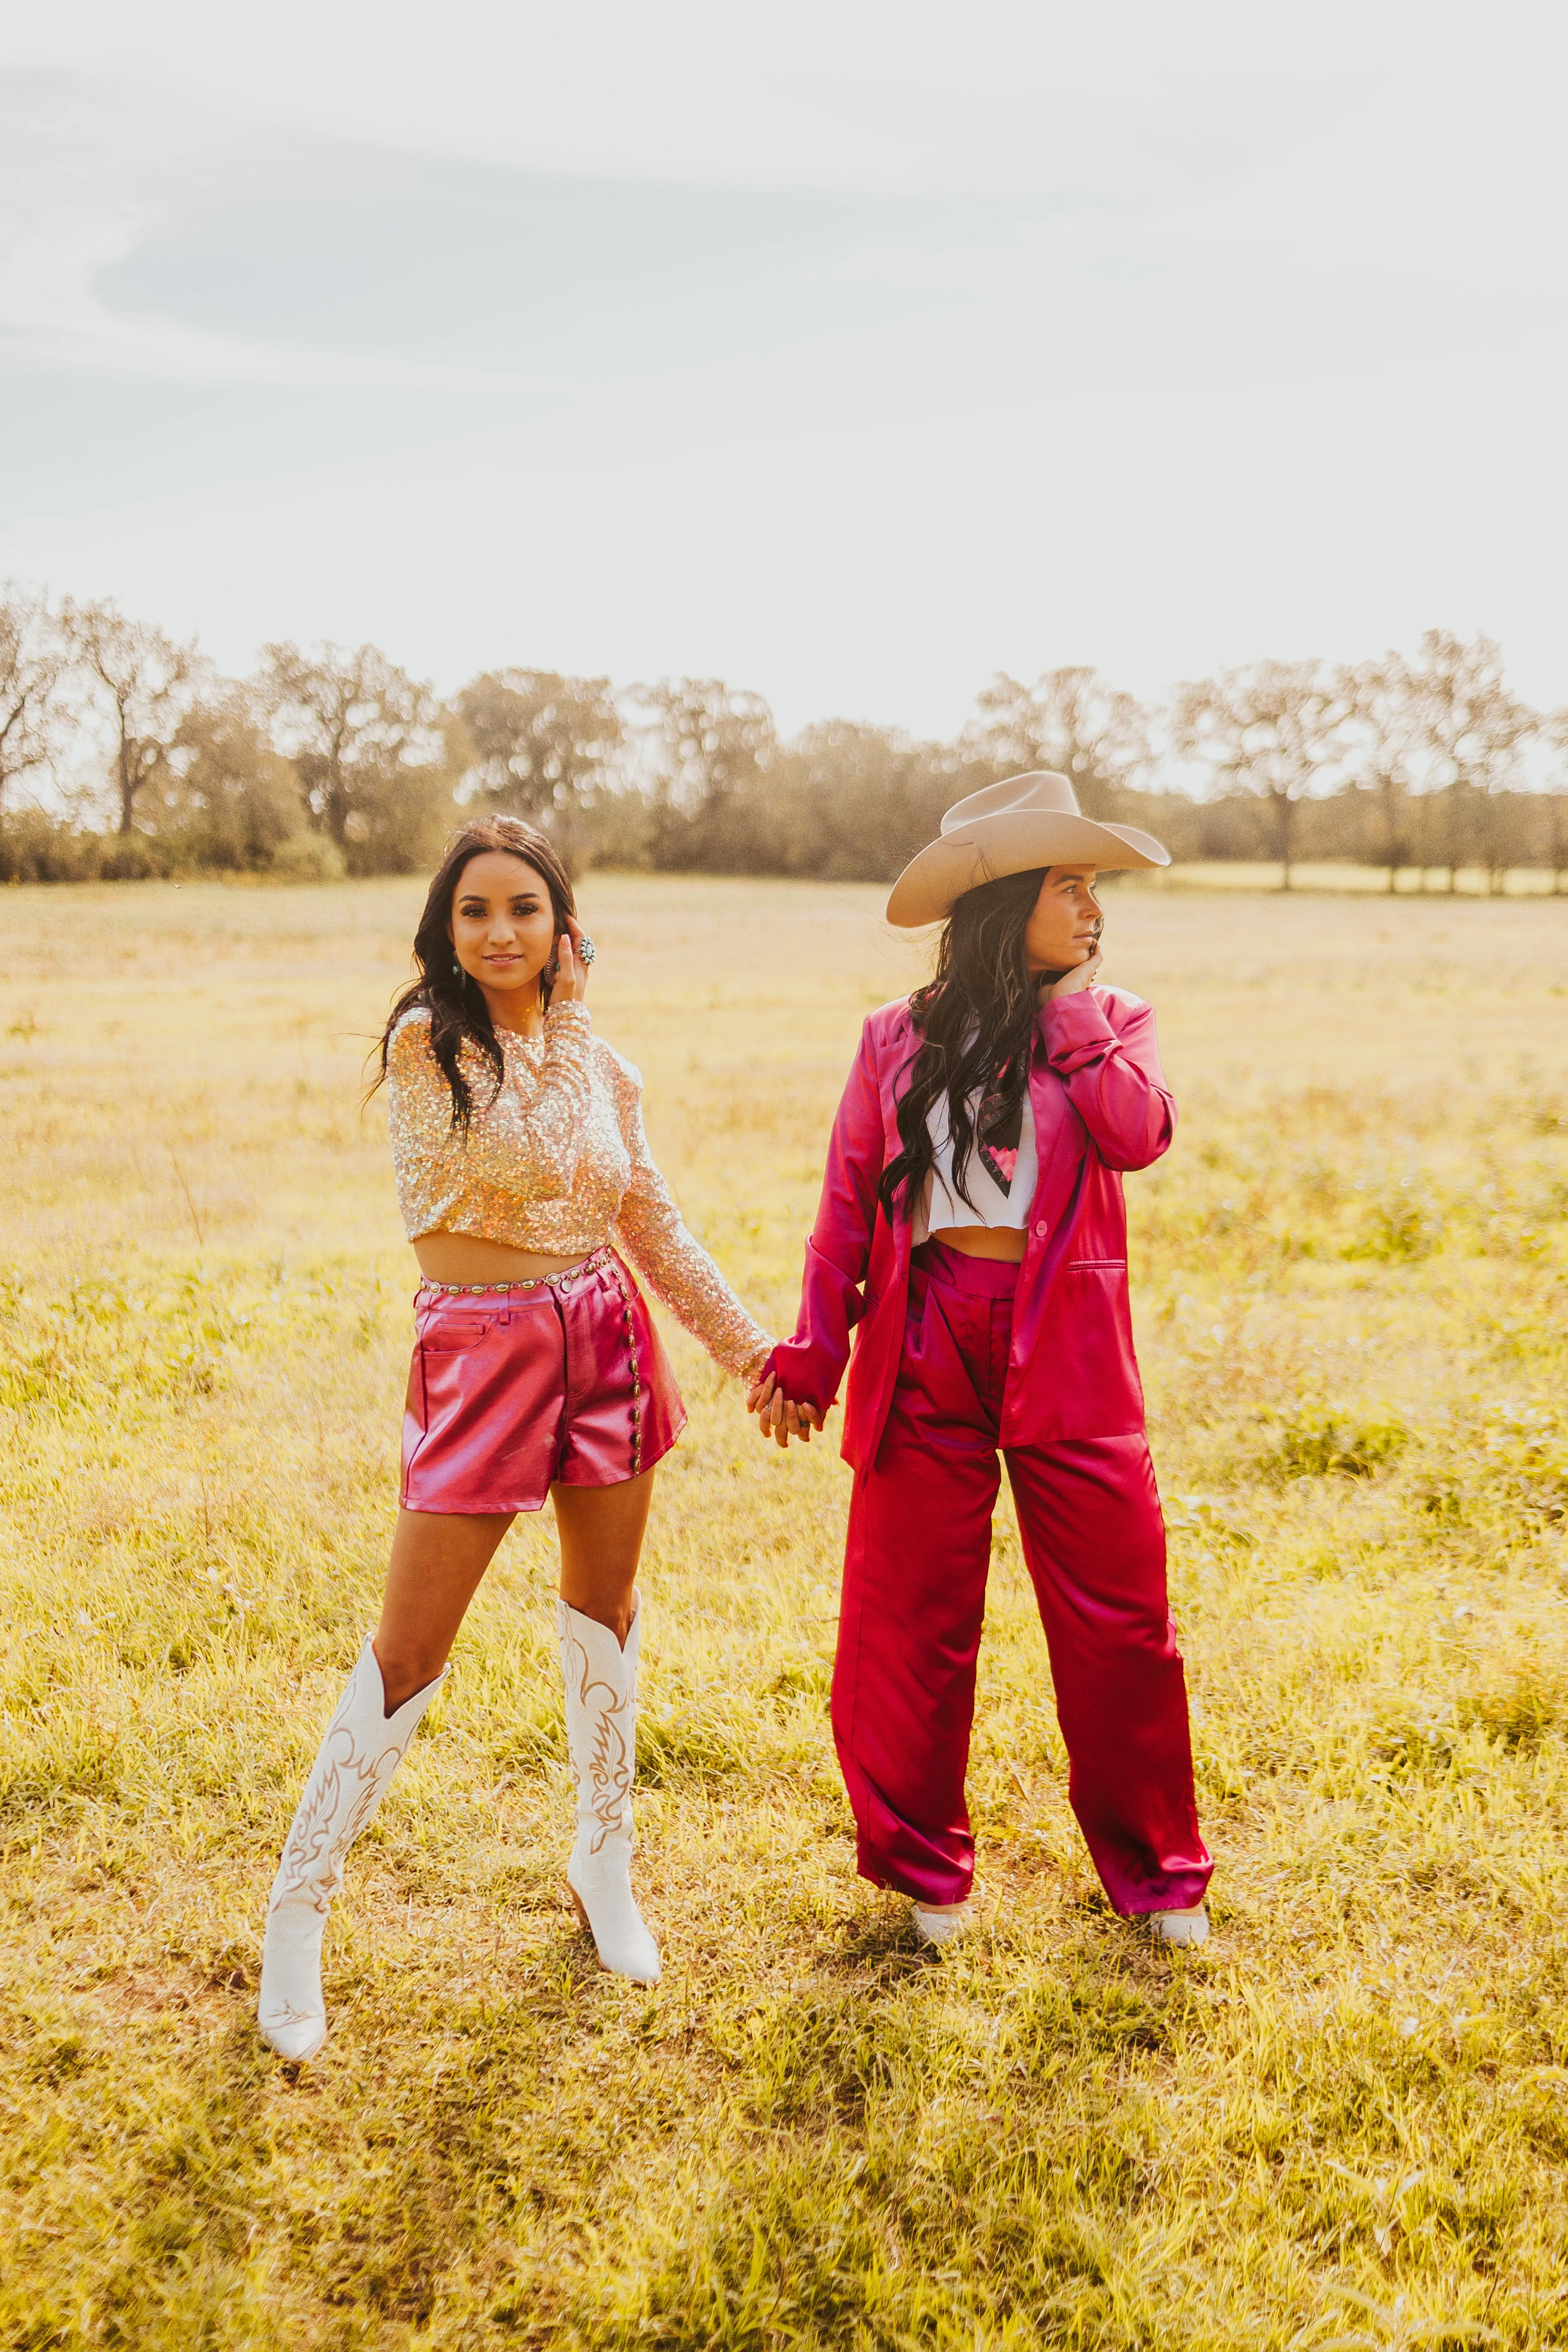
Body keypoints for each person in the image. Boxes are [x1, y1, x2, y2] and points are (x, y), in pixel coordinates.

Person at [259, 815, 772, 2059]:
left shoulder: (606, 1065)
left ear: (561, 925)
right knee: (409, 1646)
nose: (499, 931)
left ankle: (606, 1864)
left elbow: (647, 1215)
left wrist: (752, 1347)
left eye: (525, 911)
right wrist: (578, 1019)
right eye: (476, 910)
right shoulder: (430, 1043)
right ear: (446, 925)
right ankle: (296, 1916)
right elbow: (529, 1156)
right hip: (483, 1348)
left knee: (606, 1604)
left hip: (605, 1328)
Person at [749, 772, 1213, 1948]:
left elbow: (1140, 1137)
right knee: (910, 1618)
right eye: (1072, 888)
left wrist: (1068, 1011)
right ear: (1010, 900)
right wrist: (815, 1351)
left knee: (1121, 1618)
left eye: (1098, 888)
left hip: (1066, 1341)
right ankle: (925, 1873)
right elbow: (848, 1200)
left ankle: (1160, 1875)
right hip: (926, 1336)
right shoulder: (893, 1036)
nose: (1096, 909)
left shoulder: (1116, 1020)